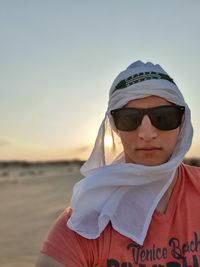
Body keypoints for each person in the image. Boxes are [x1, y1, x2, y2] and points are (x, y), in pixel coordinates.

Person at [36, 61, 200, 267]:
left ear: (182, 122)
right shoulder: (87, 221)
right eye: (129, 119)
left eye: (164, 117)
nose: (147, 134)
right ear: (115, 127)